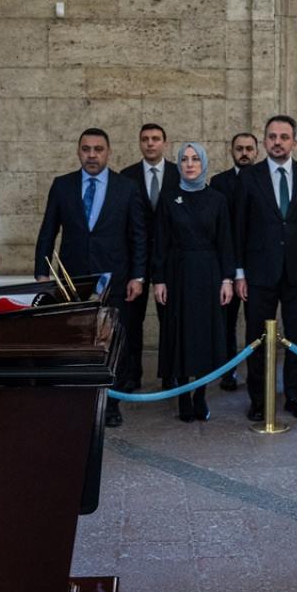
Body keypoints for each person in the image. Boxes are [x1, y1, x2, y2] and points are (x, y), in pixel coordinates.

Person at [34, 128, 147, 426]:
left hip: (115, 279)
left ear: (108, 152)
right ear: (78, 152)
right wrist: (41, 273)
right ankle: (77, 400)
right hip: (72, 281)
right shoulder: (62, 186)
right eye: (86, 149)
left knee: (113, 342)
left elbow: (138, 235)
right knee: (76, 341)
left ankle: (111, 405)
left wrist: (138, 276)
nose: (92, 155)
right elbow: (48, 231)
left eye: (98, 149)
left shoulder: (127, 187)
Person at [234, 114, 297, 421]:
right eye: (272, 137)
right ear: (264, 141)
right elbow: (239, 228)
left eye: (284, 137)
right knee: (257, 338)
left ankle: (295, 396)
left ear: (294, 142)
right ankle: (259, 400)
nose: (278, 142)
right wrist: (239, 273)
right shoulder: (249, 177)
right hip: (259, 273)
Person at [153, 143, 235, 422]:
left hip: (209, 274)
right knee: (180, 335)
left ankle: (200, 396)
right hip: (177, 274)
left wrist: (227, 279)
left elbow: (225, 242)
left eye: (195, 159)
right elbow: (160, 241)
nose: (190, 164)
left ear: (204, 164)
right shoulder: (168, 198)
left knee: (204, 336)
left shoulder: (217, 199)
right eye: (185, 159)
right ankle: (183, 397)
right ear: (178, 164)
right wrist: (159, 279)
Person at [119, 124, 179, 392]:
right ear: (140, 143)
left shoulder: (178, 173)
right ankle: (133, 375)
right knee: (133, 321)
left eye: (155, 139)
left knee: (170, 320)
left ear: (165, 143)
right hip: (136, 260)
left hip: (170, 259)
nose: (150, 143)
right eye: (145, 139)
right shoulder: (127, 176)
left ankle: (170, 375)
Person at [209, 132, 258, 391]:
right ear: (232, 151)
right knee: (226, 323)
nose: (244, 153)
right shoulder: (218, 182)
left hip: (257, 265)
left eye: (249, 148)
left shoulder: (263, 179)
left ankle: (256, 375)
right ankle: (228, 372)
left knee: (256, 324)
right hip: (226, 264)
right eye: (240, 148)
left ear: (257, 151)